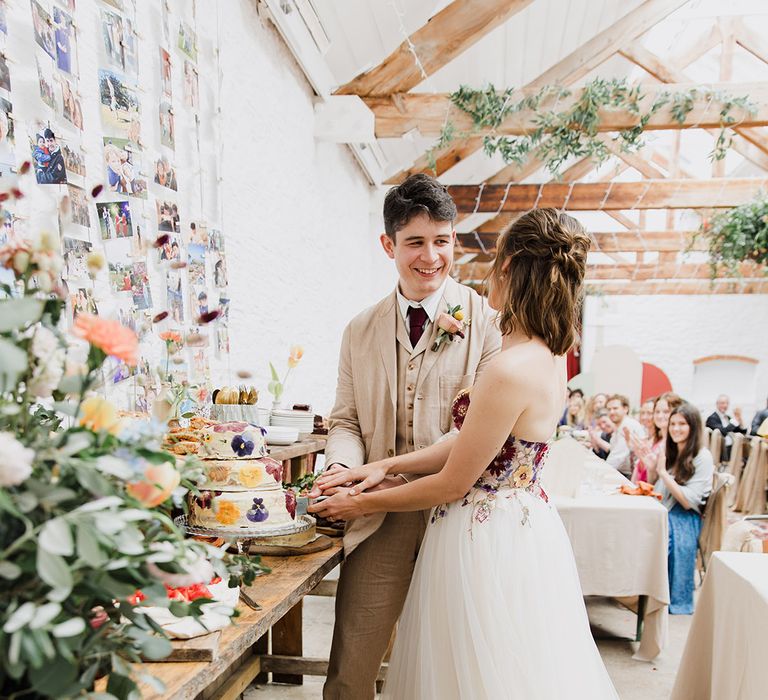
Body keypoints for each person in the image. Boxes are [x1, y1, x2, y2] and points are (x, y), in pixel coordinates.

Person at [311, 208, 618, 699]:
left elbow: (456, 480)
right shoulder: (551, 355)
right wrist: (384, 464)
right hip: (521, 529)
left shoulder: (508, 364)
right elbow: (478, 441)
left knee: (468, 675)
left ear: (512, 264)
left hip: (479, 538)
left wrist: (359, 501)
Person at [307, 173, 501, 699]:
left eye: (442, 241)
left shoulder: (486, 322)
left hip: (459, 517)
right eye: (415, 242)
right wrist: (340, 470)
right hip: (379, 518)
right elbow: (345, 419)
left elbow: (480, 432)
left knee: (453, 670)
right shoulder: (359, 330)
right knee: (351, 670)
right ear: (389, 245)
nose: (431, 256)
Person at [647, 403, 714, 614]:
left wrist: (663, 473)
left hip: (686, 516)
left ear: (693, 427)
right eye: (672, 424)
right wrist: (652, 469)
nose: (675, 429)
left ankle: (659, 595)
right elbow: (657, 489)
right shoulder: (674, 450)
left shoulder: (702, 457)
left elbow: (688, 501)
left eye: (682, 424)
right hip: (666, 508)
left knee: (660, 540)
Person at [630, 392, 683, 483]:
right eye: (657, 412)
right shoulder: (657, 441)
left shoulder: (676, 444)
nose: (660, 416)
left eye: (666, 412)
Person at [605, 394, 643, 479]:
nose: (611, 412)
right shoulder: (619, 426)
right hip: (623, 473)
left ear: (625, 409)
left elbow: (617, 458)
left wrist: (601, 472)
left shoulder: (628, 426)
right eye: (609, 409)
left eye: (615, 408)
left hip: (631, 476)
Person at [705, 394, 746, 460]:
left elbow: (741, 431)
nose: (725, 405)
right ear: (717, 404)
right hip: (720, 450)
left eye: (727, 403)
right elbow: (723, 432)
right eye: (723, 403)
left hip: (732, 447)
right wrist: (734, 421)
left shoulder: (728, 418)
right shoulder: (712, 418)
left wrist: (739, 419)